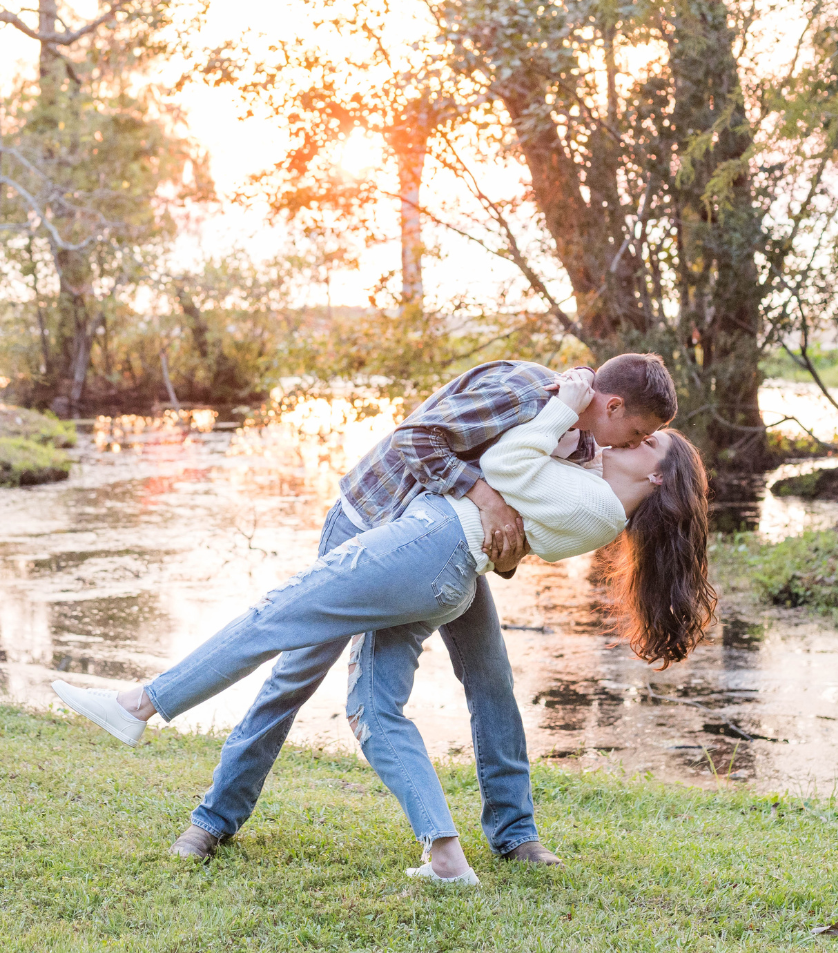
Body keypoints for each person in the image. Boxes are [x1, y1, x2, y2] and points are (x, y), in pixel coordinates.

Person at [52, 364, 717, 884]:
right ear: (614, 406)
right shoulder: (527, 394)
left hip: (434, 552)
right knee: (297, 675)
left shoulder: (584, 448)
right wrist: (486, 497)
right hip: (376, 520)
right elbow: (418, 439)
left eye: (640, 444)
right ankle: (213, 822)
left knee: (482, 680)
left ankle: (512, 837)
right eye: (635, 431)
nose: (628, 444)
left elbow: (526, 519)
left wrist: (504, 542)